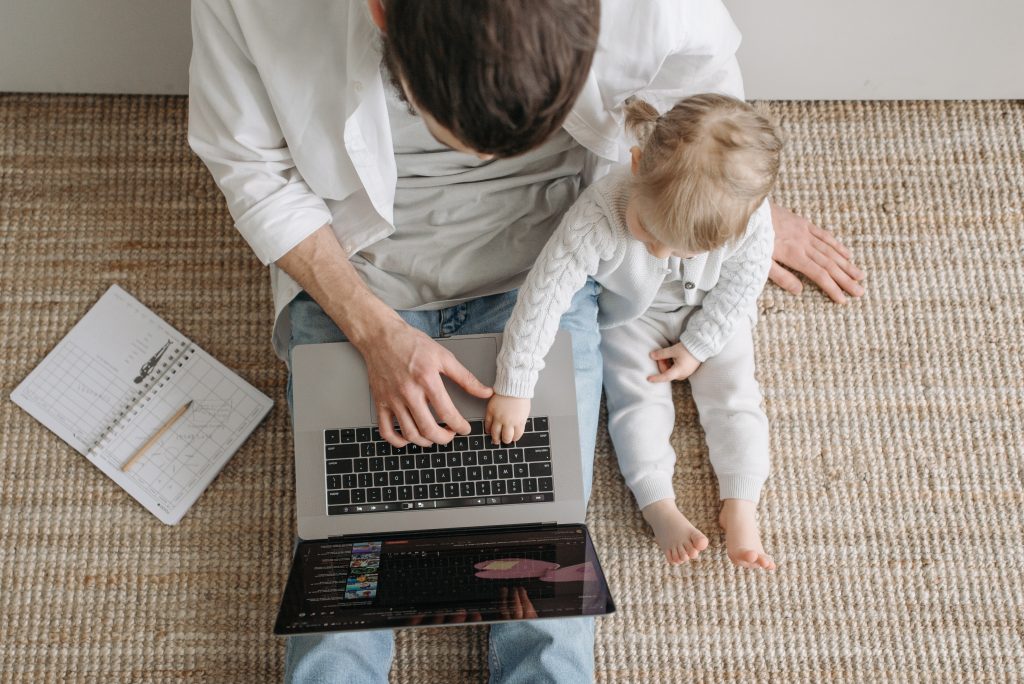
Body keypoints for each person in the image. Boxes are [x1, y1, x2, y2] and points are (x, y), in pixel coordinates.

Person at [188, 1, 864, 680]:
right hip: (357, 272)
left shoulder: (654, 10)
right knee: (348, 569)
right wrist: (372, 331)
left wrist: (724, 207)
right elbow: (252, 171)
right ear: (383, 15)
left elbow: (699, 81)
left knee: (542, 560)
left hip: (546, 270)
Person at [487, 94, 780, 569]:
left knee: (737, 396)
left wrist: (699, 345)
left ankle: (740, 503)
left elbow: (744, 284)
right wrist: (515, 385)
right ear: (637, 163)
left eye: (682, 250)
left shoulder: (749, 221)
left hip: (714, 309)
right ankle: (658, 502)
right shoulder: (597, 215)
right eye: (648, 230)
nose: (662, 254)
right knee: (636, 401)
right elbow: (544, 295)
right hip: (632, 317)